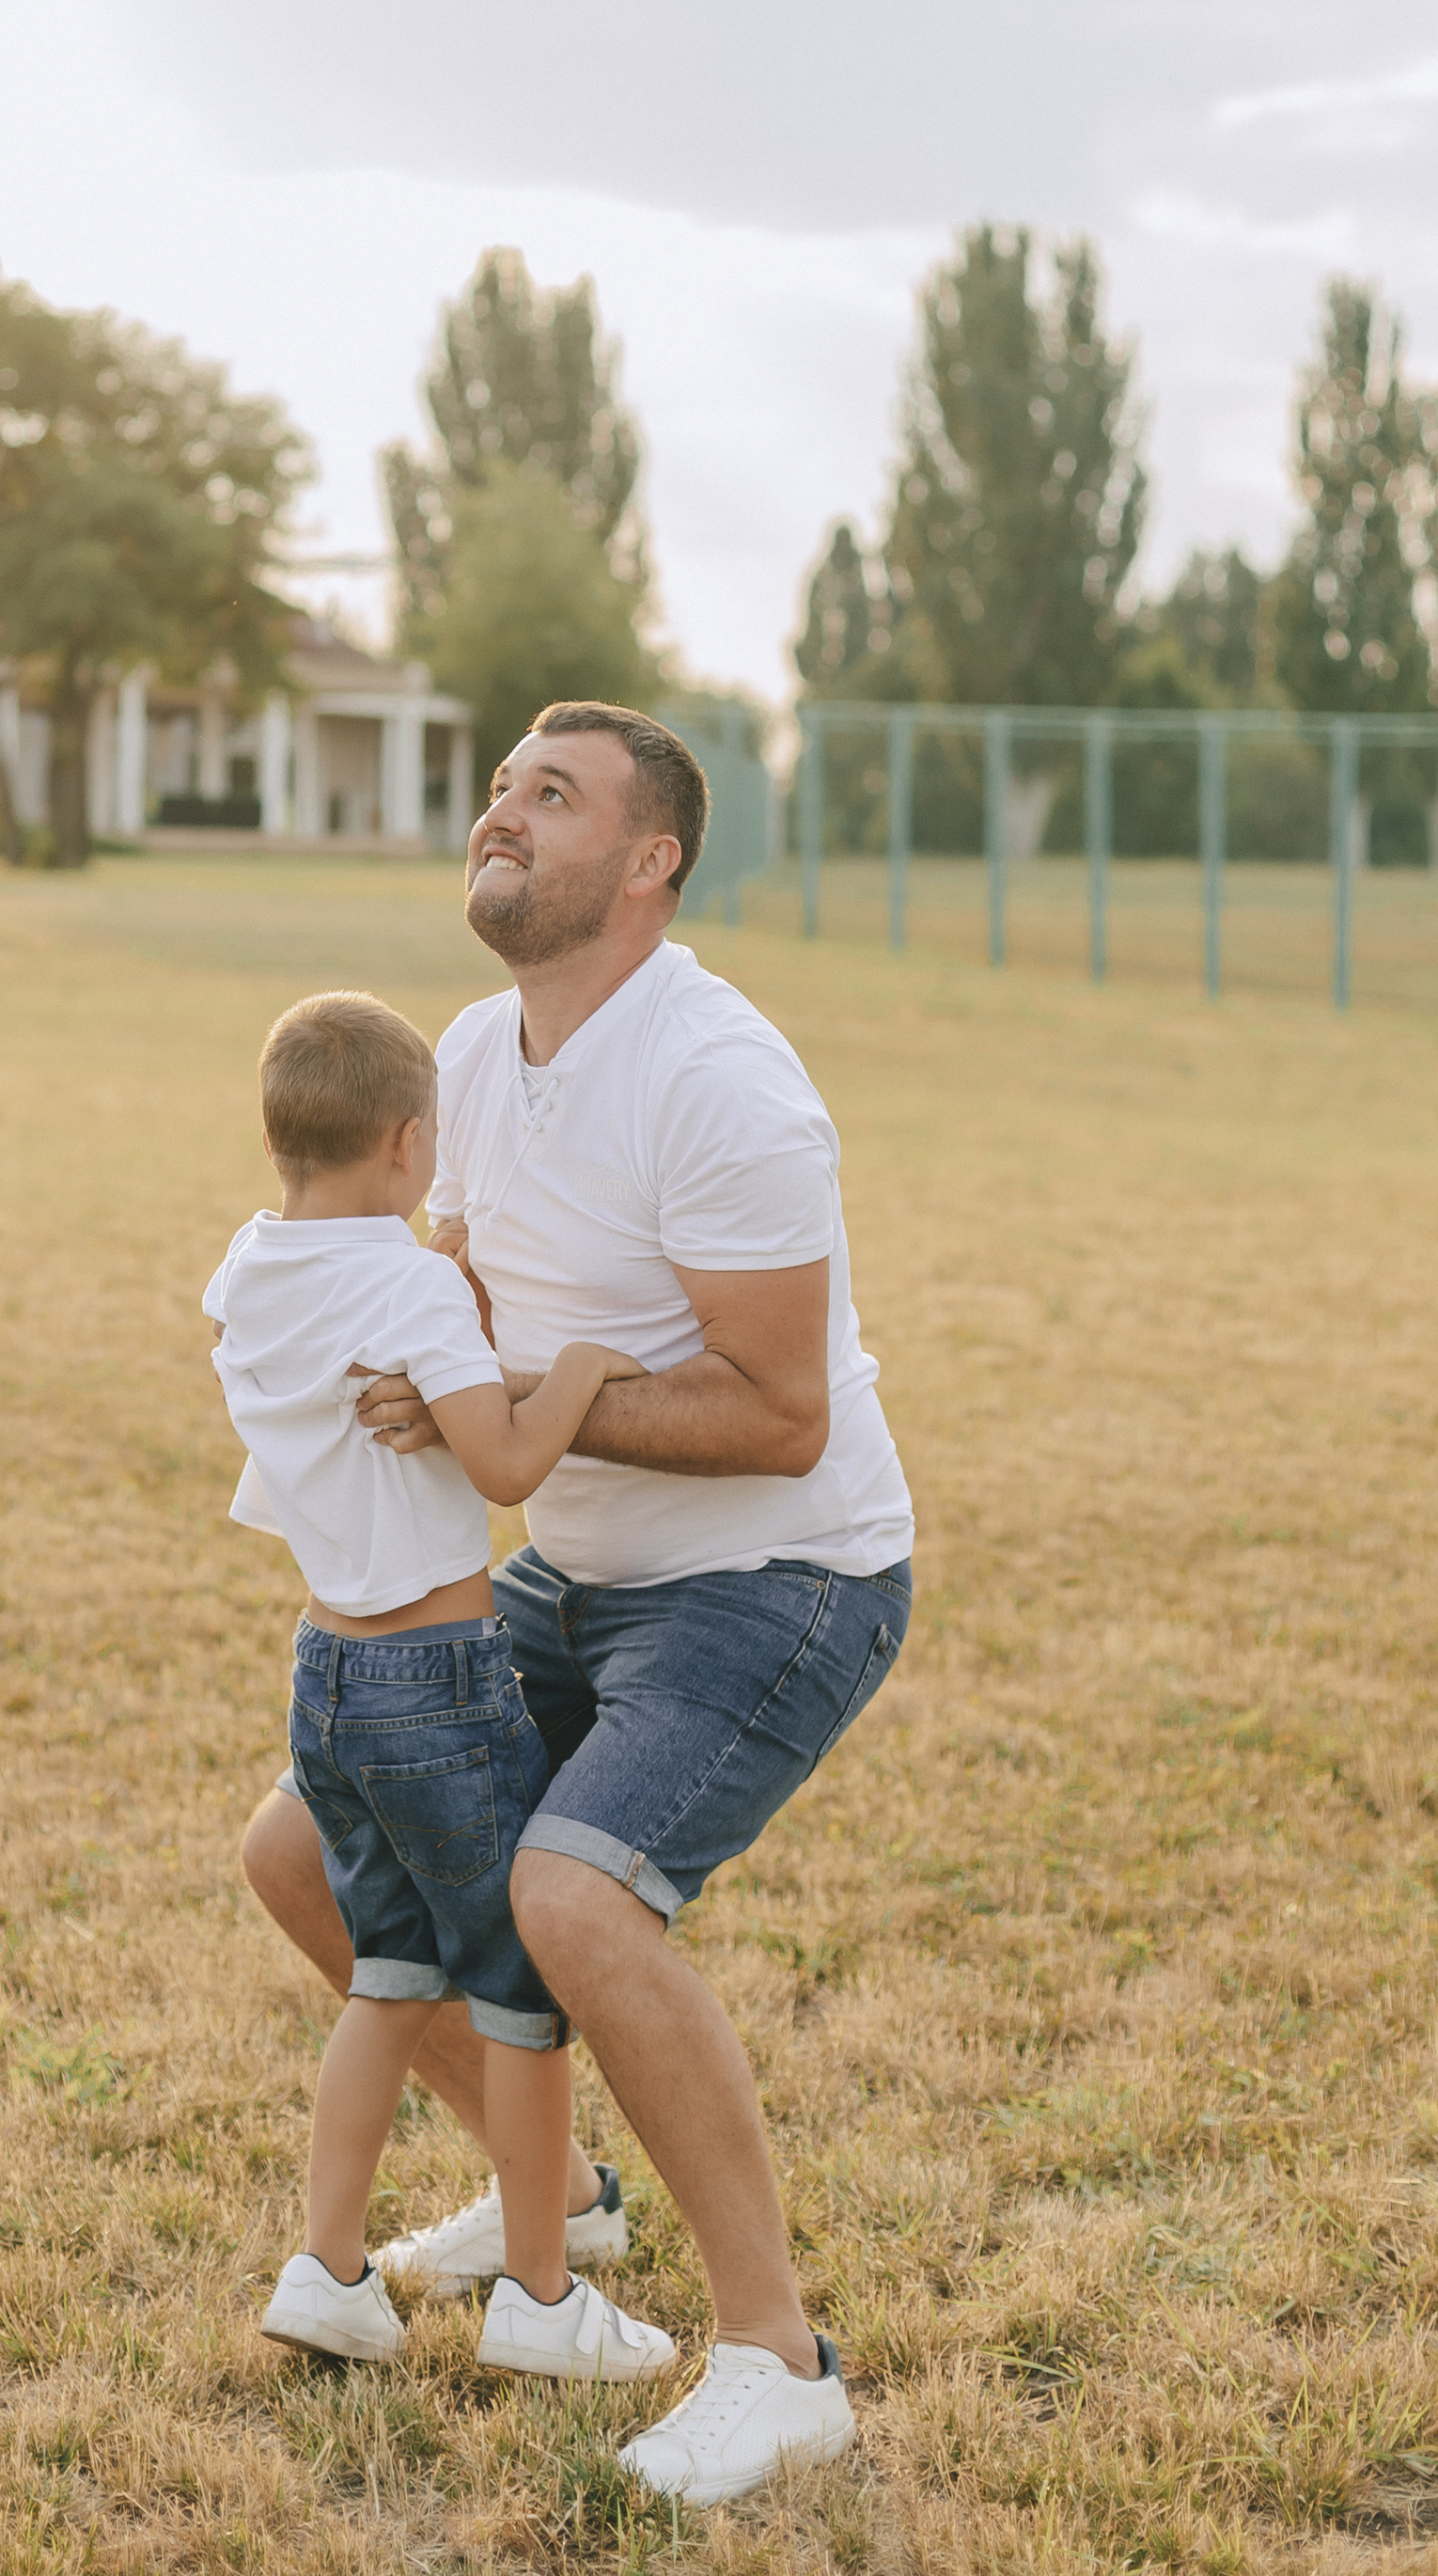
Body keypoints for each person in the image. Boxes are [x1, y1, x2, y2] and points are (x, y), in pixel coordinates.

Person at [240, 702, 914, 2509]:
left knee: (570, 1891)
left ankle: (778, 2361)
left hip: (780, 1577)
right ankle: (565, 2209)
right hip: (579, 1570)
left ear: (647, 864)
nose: (501, 812)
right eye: (504, 788)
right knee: (303, 1852)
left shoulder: (723, 1083)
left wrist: (522, 1409)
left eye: (554, 795)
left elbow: (782, 1417)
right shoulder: (471, 1045)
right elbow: (437, 1272)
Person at [208, 985, 679, 2385]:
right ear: (414, 1146)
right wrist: (584, 1366)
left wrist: (442, 1288)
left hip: (331, 1677)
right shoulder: (409, 1284)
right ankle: (543, 2301)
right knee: (516, 1996)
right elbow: (508, 1467)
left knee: (391, 1978)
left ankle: (330, 2268)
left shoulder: (246, 1267)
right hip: (442, 1680)